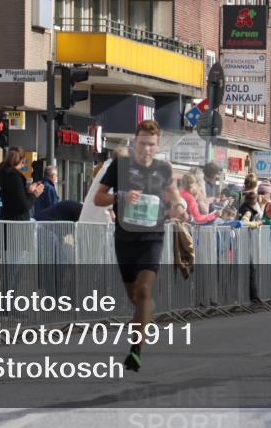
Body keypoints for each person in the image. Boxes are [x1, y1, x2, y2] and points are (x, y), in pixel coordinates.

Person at [94, 120, 185, 372]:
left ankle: (135, 349)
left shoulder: (164, 169)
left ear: (157, 145)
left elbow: (174, 195)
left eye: (151, 145)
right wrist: (120, 197)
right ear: (135, 142)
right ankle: (146, 311)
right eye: (143, 144)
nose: (147, 149)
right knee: (135, 296)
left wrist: (180, 207)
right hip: (124, 239)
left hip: (152, 237)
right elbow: (98, 197)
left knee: (144, 289)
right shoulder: (119, 166)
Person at [0, 148, 43, 221]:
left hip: (4, 219)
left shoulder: (1, 173)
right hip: (17, 223)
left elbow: (14, 197)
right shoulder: (15, 177)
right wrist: (34, 194)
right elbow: (23, 205)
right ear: (22, 161)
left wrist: (28, 191)